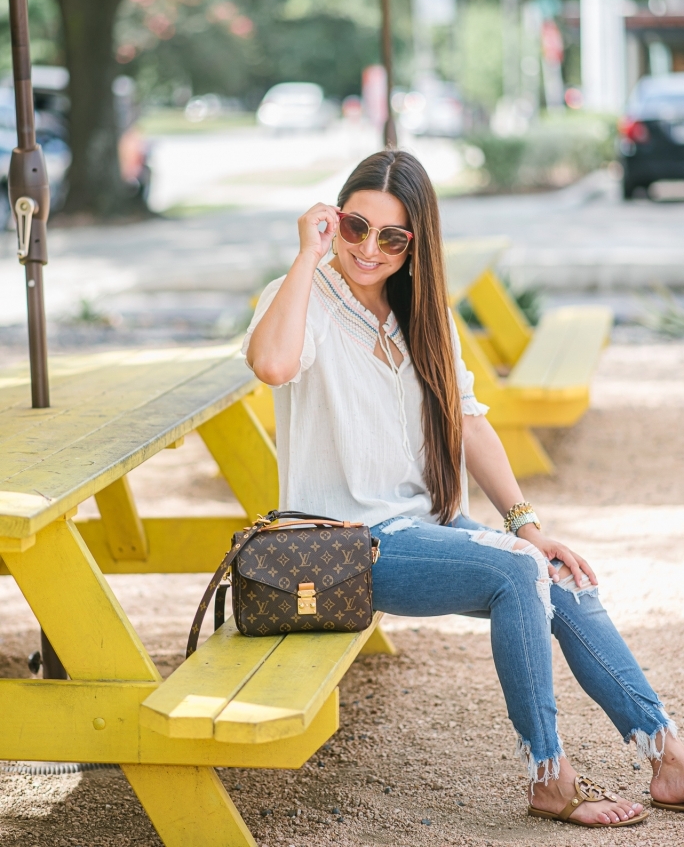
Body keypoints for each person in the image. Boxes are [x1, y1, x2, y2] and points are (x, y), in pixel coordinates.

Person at [244, 149, 684, 828]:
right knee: (516, 569)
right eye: (356, 227)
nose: (369, 249)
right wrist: (307, 254)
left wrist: (528, 523)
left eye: (392, 238)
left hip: (428, 525)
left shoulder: (421, 314)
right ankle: (550, 776)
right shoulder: (299, 296)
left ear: (415, 243)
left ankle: (667, 755)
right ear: (335, 219)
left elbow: (469, 424)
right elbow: (272, 365)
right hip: (348, 545)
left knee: (558, 573)